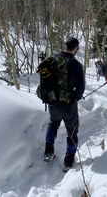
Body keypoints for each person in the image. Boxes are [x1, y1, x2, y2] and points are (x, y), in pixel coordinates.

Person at [44, 37, 85, 171]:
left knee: (53, 124)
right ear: (76, 48)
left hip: (52, 102)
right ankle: (68, 161)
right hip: (68, 105)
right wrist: (75, 98)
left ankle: (48, 152)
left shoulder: (51, 60)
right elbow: (80, 88)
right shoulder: (76, 65)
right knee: (72, 131)